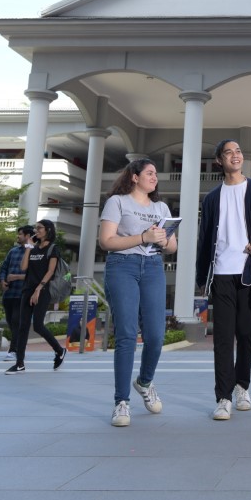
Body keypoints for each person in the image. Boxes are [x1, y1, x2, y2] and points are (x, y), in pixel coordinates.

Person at [195, 140, 251, 421]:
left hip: (250, 273)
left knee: (245, 333)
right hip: (222, 274)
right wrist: (201, 277)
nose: (235, 155)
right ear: (219, 161)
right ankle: (223, 397)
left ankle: (241, 386)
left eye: (238, 151)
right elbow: (205, 238)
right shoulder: (211, 198)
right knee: (222, 338)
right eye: (228, 152)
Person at [98, 160, 177, 426]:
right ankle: (121, 402)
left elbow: (172, 247)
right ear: (134, 177)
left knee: (156, 335)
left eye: (156, 174)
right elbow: (106, 241)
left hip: (153, 267)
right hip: (123, 266)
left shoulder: (161, 208)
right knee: (127, 335)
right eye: (150, 173)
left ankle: (144, 382)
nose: (155, 177)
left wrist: (164, 240)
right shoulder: (117, 202)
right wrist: (144, 237)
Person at [5, 219, 67, 374]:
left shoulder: (53, 249)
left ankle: (59, 350)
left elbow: (50, 271)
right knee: (22, 326)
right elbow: (23, 267)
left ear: (48, 230)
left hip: (43, 290)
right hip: (27, 289)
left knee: (38, 325)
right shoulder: (32, 248)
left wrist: (39, 289)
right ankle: (20, 363)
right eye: (35, 228)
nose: (36, 231)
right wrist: (28, 247)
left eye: (39, 228)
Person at [0, 226, 34, 360]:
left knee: (16, 321)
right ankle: (18, 347)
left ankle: (14, 350)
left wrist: (17, 277)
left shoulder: (34, 252)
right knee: (10, 321)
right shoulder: (13, 251)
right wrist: (2, 280)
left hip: (23, 294)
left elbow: (35, 276)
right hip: (9, 294)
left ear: (28, 236)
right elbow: (4, 268)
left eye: (20, 234)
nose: (18, 236)